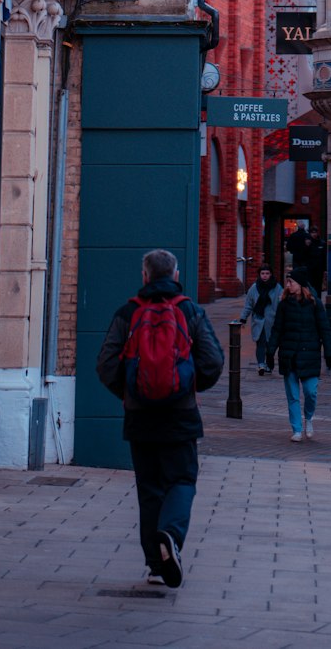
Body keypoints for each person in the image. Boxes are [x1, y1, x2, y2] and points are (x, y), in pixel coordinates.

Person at [96, 248, 224, 588]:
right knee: (181, 481)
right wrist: (188, 386)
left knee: (149, 489)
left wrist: (129, 393)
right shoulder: (191, 312)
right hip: (180, 416)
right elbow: (213, 362)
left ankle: (156, 564)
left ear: (145, 276)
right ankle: (171, 534)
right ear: (176, 275)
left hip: (140, 419)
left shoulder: (128, 313)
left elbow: (106, 364)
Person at [265, 266, 331, 442]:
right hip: (289, 356)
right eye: (287, 282)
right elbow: (277, 330)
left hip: (309, 355)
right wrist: (270, 352)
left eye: (291, 282)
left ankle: (308, 418)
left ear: (300, 284)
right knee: (293, 397)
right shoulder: (284, 305)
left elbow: (324, 329)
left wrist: (329, 352)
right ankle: (296, 429)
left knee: (311, 392)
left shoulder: (315, 304)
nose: (288, 285)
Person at [239, 264, 283, 373]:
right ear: (259, 275)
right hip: (258, 320)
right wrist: (243, 318)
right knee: (260, 342)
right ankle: (261, 364)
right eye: (262, 273)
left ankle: (269, 364)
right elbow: (248, 304)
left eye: (267, 273)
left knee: (270, 345)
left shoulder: (277, 288)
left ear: (271, 274)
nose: (265, 276)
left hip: (272, 321)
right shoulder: (254, 288)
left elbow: (282, 304)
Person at [304, 225, 326, 295]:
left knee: (318, 286)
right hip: (310, 269)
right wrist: (306, 246)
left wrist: (325, 269)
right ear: (310, 233)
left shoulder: (322, 243)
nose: (314, 234)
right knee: (310, 286)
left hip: (319, 269)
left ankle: (318, 301)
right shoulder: (308, 243)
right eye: (312, 232)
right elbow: (303, 255)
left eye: (315, 232)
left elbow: (324, 256)